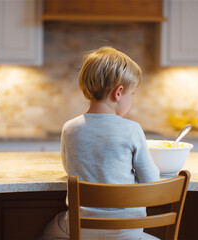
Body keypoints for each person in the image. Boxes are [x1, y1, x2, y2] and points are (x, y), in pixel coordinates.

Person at [40, 46, 160, 240]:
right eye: (133, 94)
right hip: (128, 231)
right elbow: (151, 182)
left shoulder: (69, 128)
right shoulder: (132, 129)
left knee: (48, 231)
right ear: (119, 93)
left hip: (82, 229)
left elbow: (69, 167)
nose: (132, 99)